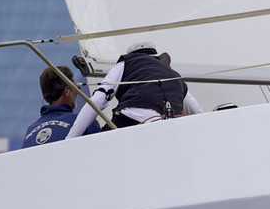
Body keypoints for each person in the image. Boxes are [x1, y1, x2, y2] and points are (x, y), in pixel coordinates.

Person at [66, 41, 205, 138]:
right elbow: (197, 111)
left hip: (131, 119)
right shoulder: (174, 75)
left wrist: (69, 140)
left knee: (98, 147)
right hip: (168, 126)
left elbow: (98, 99)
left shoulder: (127, 62)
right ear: (156, 57)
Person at [20, 65, 85, 148]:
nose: (77, 92)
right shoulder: (82, 121)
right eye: (76, 87)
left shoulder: (30, 131)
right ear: (67, 91)